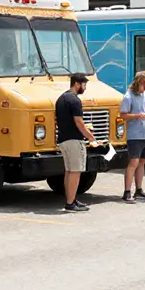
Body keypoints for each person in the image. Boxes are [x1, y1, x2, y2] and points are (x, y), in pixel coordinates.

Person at [55, 72, 99, 212]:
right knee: (75, 171)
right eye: (84, 85)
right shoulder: (74, 100)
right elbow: (79, 122)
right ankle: (70, 203)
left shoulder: (61, 98)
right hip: (74, 140)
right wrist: (91, 137)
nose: (85, 88)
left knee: (69, 171)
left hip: (63, 139)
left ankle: (71, 199)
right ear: (77, 84)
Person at [120, 70, 145, 202]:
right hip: (134, 135)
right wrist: (138, 115)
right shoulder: (128, 96)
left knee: (142, 162)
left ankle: (139, 189)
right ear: (139, 82)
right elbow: (123, 115)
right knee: (133, 162)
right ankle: (127, 191)